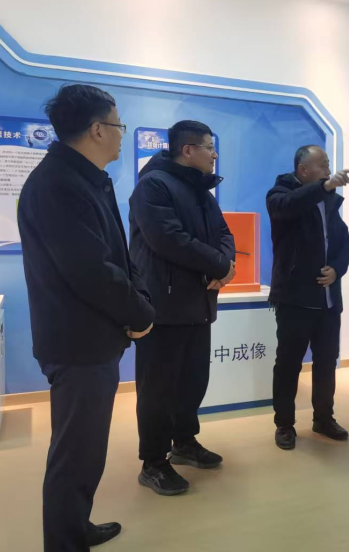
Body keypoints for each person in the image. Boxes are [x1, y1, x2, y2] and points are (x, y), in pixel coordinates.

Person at [18, 84, 155, 550]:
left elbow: (116, 255)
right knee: (75, 453)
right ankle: (64, 540)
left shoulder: (86, 178)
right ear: (97, 129)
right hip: (78, 342)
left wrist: (137, 303)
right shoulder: (58, 185)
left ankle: (76, 525)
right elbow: (91, 271)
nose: (121, 134)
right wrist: (140, 313)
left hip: (93, 336)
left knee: (86, 447)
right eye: (118, 125)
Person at [129, 121, 236, 495]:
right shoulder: (153, 186)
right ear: (188, 150)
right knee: (158, 388)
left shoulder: (201, 191)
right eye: (209, 146)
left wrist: (225, 264)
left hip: (198, 303)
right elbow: (169, 239)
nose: (214, 154)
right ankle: (153, 462)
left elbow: (224, 234)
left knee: (192, 381)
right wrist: (220, 265)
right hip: (163, 306)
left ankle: (184, 443)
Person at [266, 145, 349, 450]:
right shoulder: (279, 195)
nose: (328, 170)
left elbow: (343, 242)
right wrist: (324, 187)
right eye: (322, 165)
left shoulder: (328, 201)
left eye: (328, 165)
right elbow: (289, 205)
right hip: (295, 299)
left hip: (328, 300)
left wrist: (337, 269)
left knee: (326, 363)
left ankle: (323, 418)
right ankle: (284, 424)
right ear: (303, 171)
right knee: (288, 364)